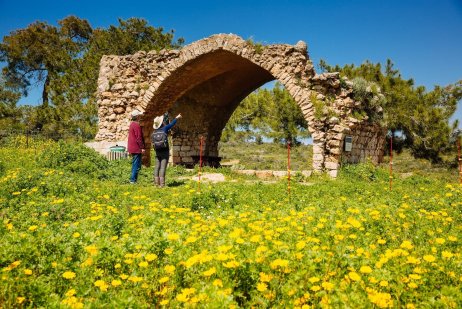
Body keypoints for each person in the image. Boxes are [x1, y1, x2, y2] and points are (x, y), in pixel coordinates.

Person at [152, 113, 182, 187]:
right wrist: (177, 117)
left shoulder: (154, 131)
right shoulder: (164, 129)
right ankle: (162, 185)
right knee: (162, 167)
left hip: (157, 151)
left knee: (157, 167)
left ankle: (156, 184)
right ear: (161, 122)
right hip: (165, 151)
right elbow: (171, 124)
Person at [127, 109, 145, 184]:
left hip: (132, 147)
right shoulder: (136, 125)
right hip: (136, 148)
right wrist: (142, 147)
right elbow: (138, 138)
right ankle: (133, 180)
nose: (140, 117)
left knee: (136, 164)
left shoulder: (132, 124)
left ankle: (134, 180)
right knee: (136, 164)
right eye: (139, 115)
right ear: (137, 116)